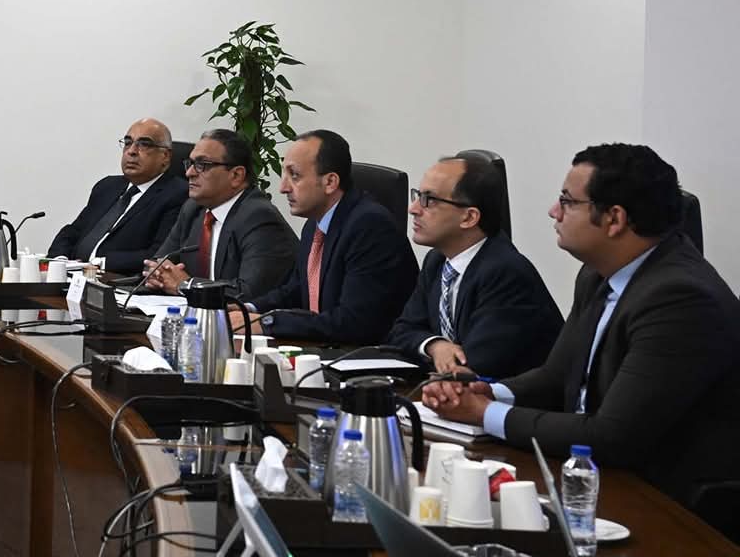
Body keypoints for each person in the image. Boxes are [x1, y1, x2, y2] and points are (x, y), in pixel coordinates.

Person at [422, 144, 740, 509]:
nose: (553, 211)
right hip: (595, 475)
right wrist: (489, 392)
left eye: (567, 202)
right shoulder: (597, 274)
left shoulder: (680, 299)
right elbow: (556, 378)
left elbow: (613, 435)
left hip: (670, 502)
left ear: (614, 219)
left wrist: (483, 413)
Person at [233, 130, 418, 344]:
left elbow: (353, 323)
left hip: (368, 355)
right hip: (326, 349)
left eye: (295, 176)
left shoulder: (370, 227)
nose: (283, 188)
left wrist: (265, 323)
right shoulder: (315, 223)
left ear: (330, 182)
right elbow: (296, 289)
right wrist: (247, 309)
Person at [384, 153, 560, 378]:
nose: (414, 209)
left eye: (429, 199)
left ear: (469, 217)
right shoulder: (437, 261)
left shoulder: (505, 273)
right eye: (418, 196)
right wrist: (434, 345)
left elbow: (471, 365)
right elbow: (401, 332)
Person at [142, 129, 295, 298]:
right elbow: (158, 263)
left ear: (236, 175)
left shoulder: (259, 217)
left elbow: (248, 292)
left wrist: (187, 285)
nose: (189, 173)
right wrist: (157, 275)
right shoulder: (193, 209)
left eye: (202, 165)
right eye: (190, 163)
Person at [45, 118, 186, 274]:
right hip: (74, 276)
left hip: (118, 282)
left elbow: (158, 255)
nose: (131, 151)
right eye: (128, 143)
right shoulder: (107, 186)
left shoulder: (177, 194)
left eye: (144, 144)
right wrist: (61, 263)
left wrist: (99, 263)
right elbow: (72, 232)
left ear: (165, 156)